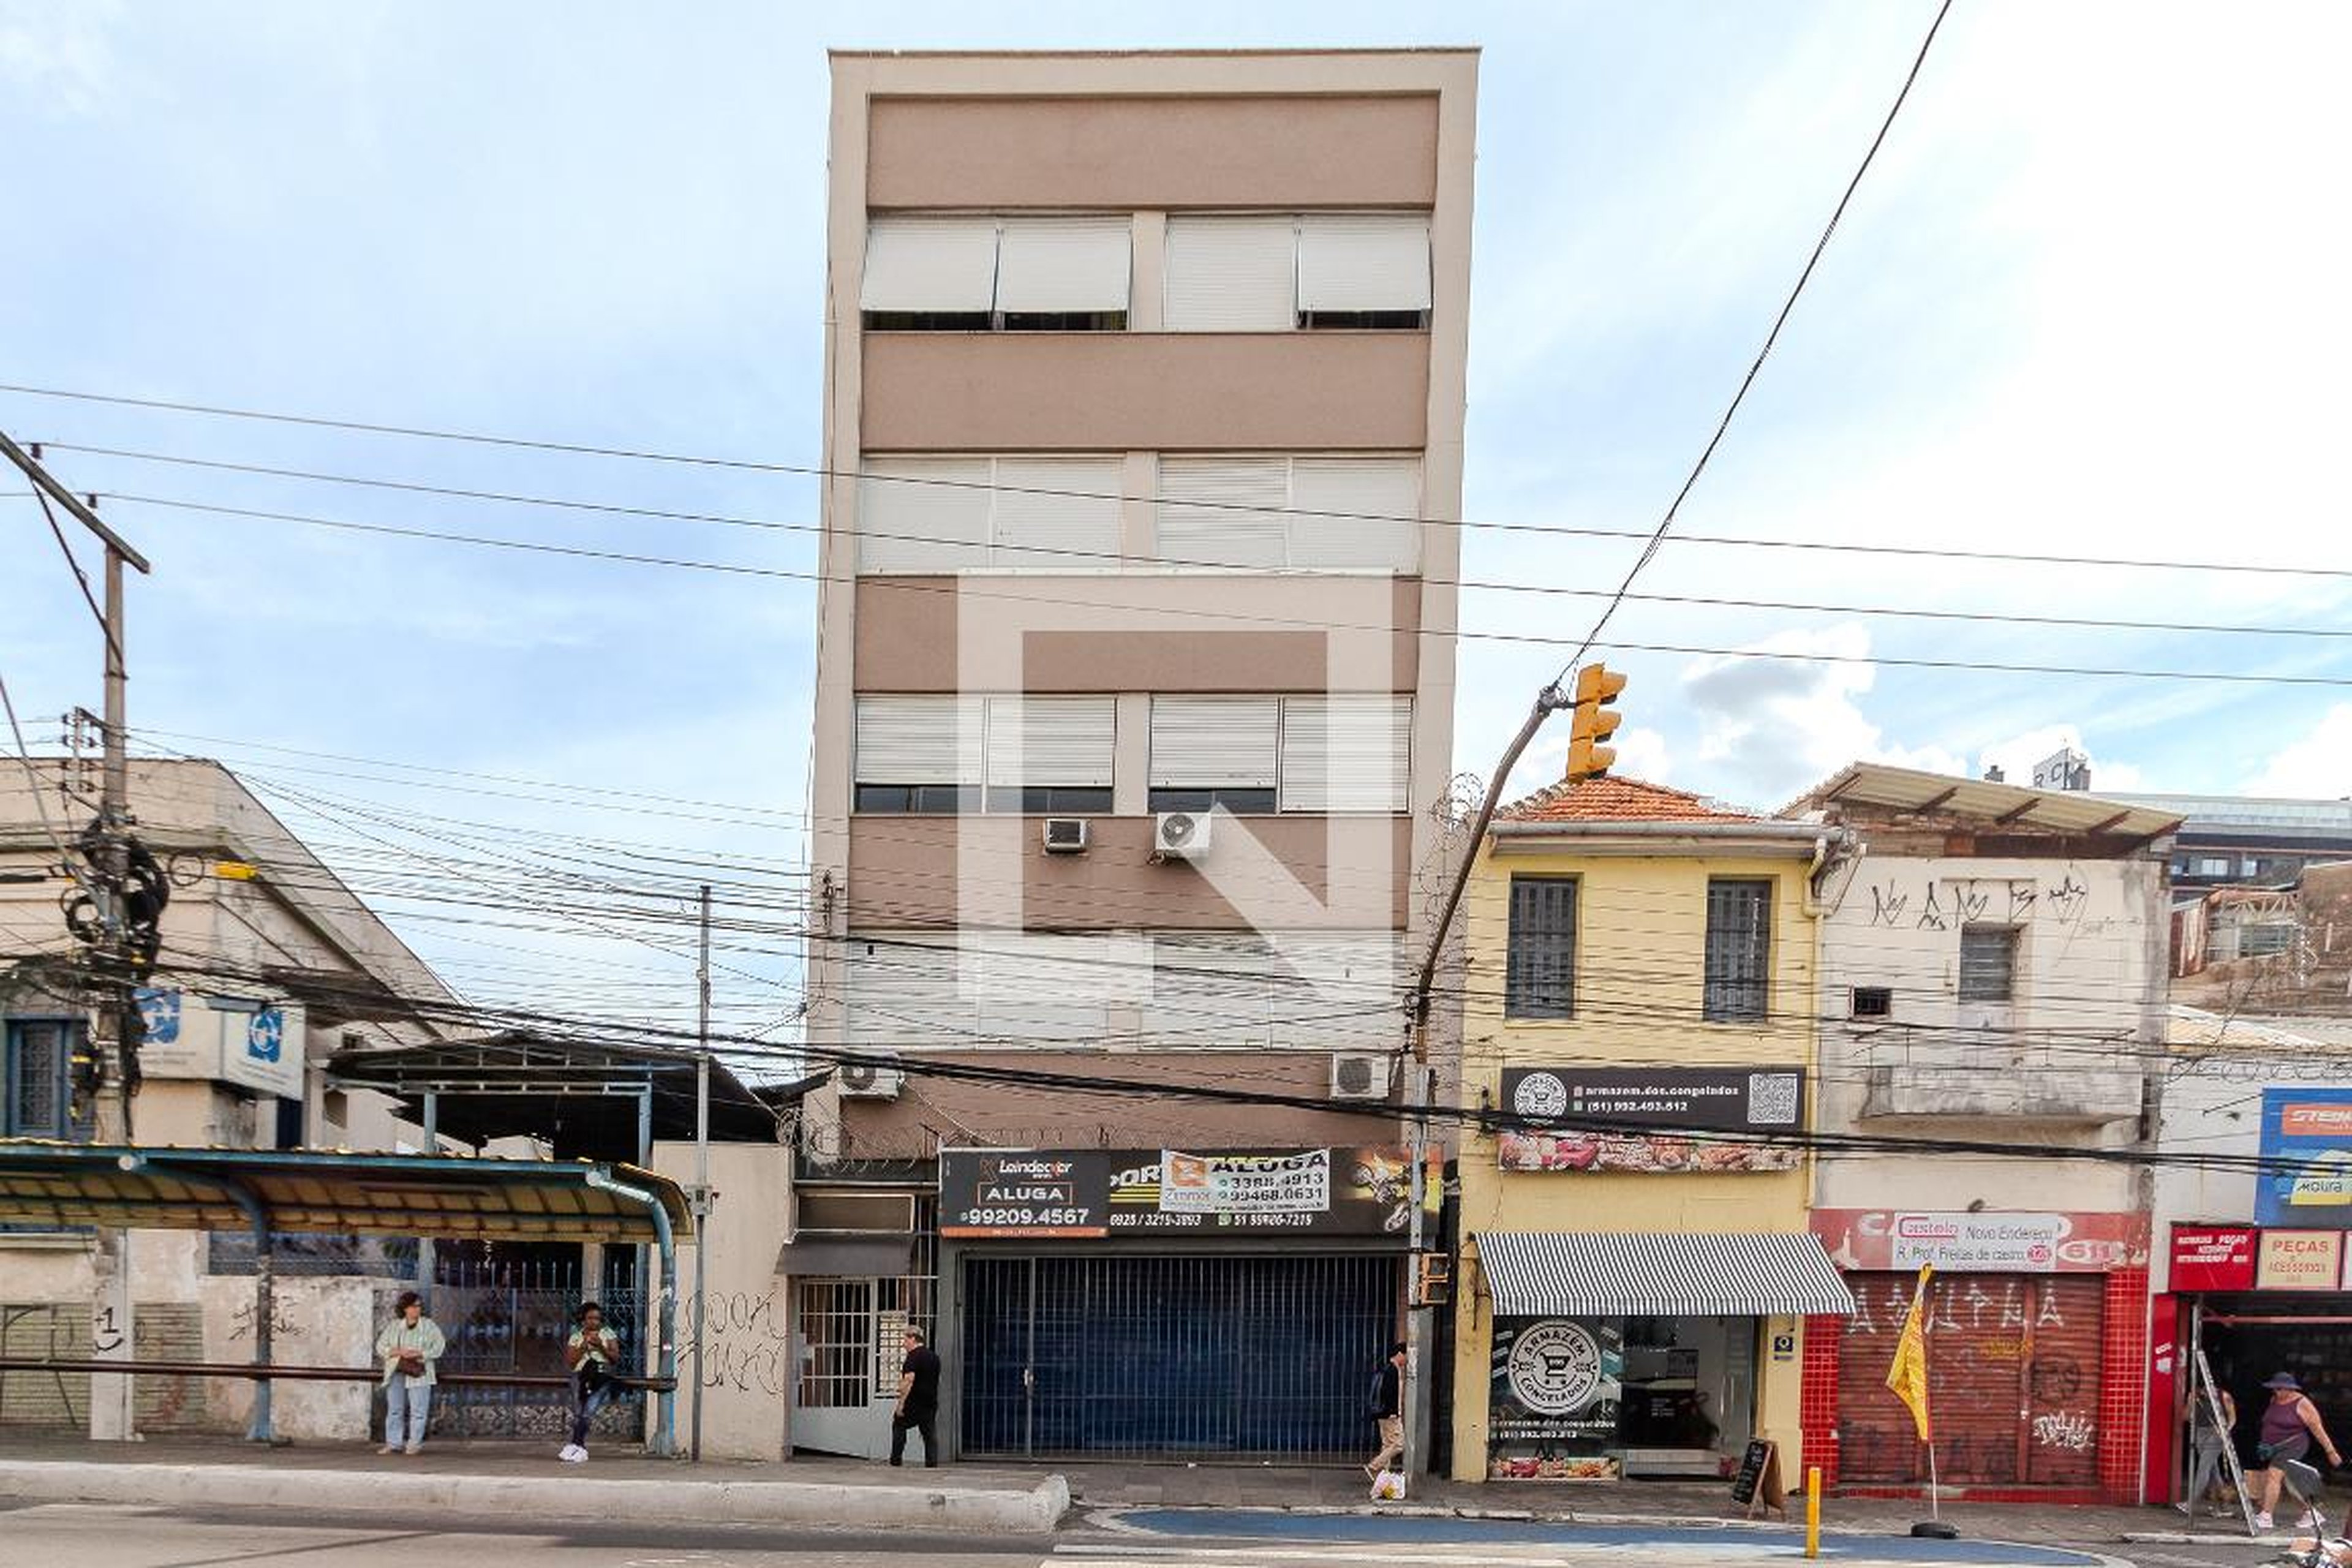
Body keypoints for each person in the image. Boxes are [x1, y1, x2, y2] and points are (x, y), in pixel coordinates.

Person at [2253, 1371, 2341, 1531]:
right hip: (2275, 1447)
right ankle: (2312, 1514)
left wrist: (2331, 1451)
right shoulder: (2274, 1399)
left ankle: (2266, 1516)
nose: (2277, 1392)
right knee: (2290, 1482)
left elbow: (2317, 1429)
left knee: (2274, 1475)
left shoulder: (2302, 1403)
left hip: (2294, 1445)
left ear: (2290, 1389)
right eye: (2275, 1388)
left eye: (2281, 1389)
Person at [374, 1290, 446, 1455]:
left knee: (419, 1410)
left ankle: (414, 1444)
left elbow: (439, 1347)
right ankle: (394, 1444)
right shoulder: (394, 1327)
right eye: (413, 1306)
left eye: (419, 1306)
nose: (417, 1309)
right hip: (397, 1370)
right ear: (405, 1308)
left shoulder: (429, 1326)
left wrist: (420, 1354)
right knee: (395, 1409)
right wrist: (398, 1351)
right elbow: (380, 1347)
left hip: (419, 1371)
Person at [559, 1300, 622, 1464]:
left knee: (589, 1411)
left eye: (597, 1318)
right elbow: (571, 1362)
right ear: (583, 1320)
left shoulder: (608, 1334)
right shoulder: (576, 1336)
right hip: (580, 1376)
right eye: (590, 1318)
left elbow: (615, 1358)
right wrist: (584, 1347)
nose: (594, 1321)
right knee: (579, 1412)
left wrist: (600, 1346)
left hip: (602, 1376)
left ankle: (577, 1445)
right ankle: (579, 1447)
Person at [2179, 1382, 2238, 1518]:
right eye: (2204, 1390)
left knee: (2203, 1468)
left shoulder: (2224, 1396)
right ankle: (2222, 1507)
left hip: (2218, 1432)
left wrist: (2225, 1431)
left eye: (2209, 1389)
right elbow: (2186, 1417)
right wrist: (2190, 1402)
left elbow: (2233, 1418)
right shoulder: (2196, 1396)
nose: (2206, 1393)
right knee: (2213, 1470)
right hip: (2200, 1432)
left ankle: (2190, 1504)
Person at [889, 1325, 941, 1468]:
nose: (903, 1343)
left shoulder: (913, 1357)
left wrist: (901, 1404)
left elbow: (909, 1380)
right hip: (930, 1402)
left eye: (905, 1340)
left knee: (899, 1425)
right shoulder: (934, 1357)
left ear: (913, 1338)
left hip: (913, 1402)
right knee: (929, 1434)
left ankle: (896, 1460)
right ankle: (932, 1464)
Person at [1363, 1341, 1406, 1493]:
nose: (1406, 1360)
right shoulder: (1392, 1370)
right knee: (1399, 1444)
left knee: (1388, 1444)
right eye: (1406, 1356)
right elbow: (1388, 1393)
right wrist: (1393, 1412)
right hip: (1390, 1415)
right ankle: (1374, 1467)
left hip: (1384, 1413)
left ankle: (1383, 1476)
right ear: (1400, 1354)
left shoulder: (1388, 1368)